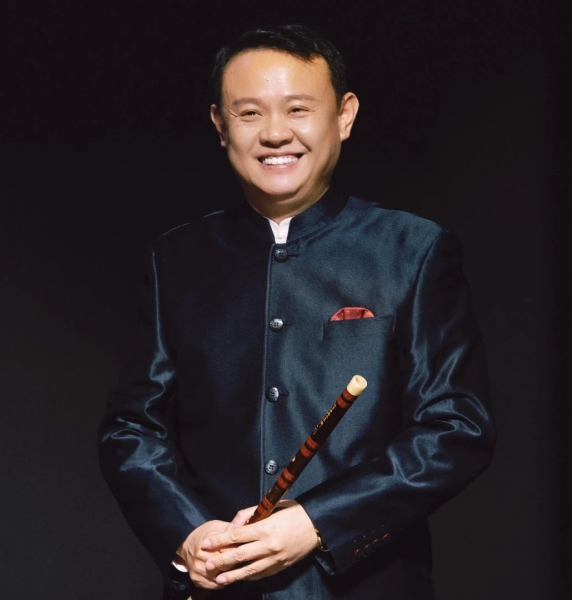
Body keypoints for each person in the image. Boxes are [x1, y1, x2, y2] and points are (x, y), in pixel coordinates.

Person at [98, 24, 495, 600]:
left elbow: (457, 427)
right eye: (249, 113)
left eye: (298, 109)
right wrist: (187, 534)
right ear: (220, 125)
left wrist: (315, 522)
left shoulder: (414, 250)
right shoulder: (176, 259)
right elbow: (133, 428)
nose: (275, 133)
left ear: (344, 116)